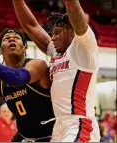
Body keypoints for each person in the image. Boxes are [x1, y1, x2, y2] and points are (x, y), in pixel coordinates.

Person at [12, 0, 100, 142]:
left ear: (72, 31)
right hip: (58, 125)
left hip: (79, 122)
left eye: (57, 33)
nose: (52, 38)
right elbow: (31, 26)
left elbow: (74, 9)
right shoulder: (56, 53)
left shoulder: (83, 48)